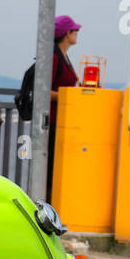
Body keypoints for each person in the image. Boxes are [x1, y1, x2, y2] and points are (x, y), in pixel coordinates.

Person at [47, 14, 81, 198]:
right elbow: (44, 91)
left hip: (61, 122)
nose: (77, 33)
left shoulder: (63, 57)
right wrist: (68, 97)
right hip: (52, 123)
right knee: (52, 170)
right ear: (67, 33)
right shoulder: (54, 57)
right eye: (75, 30)